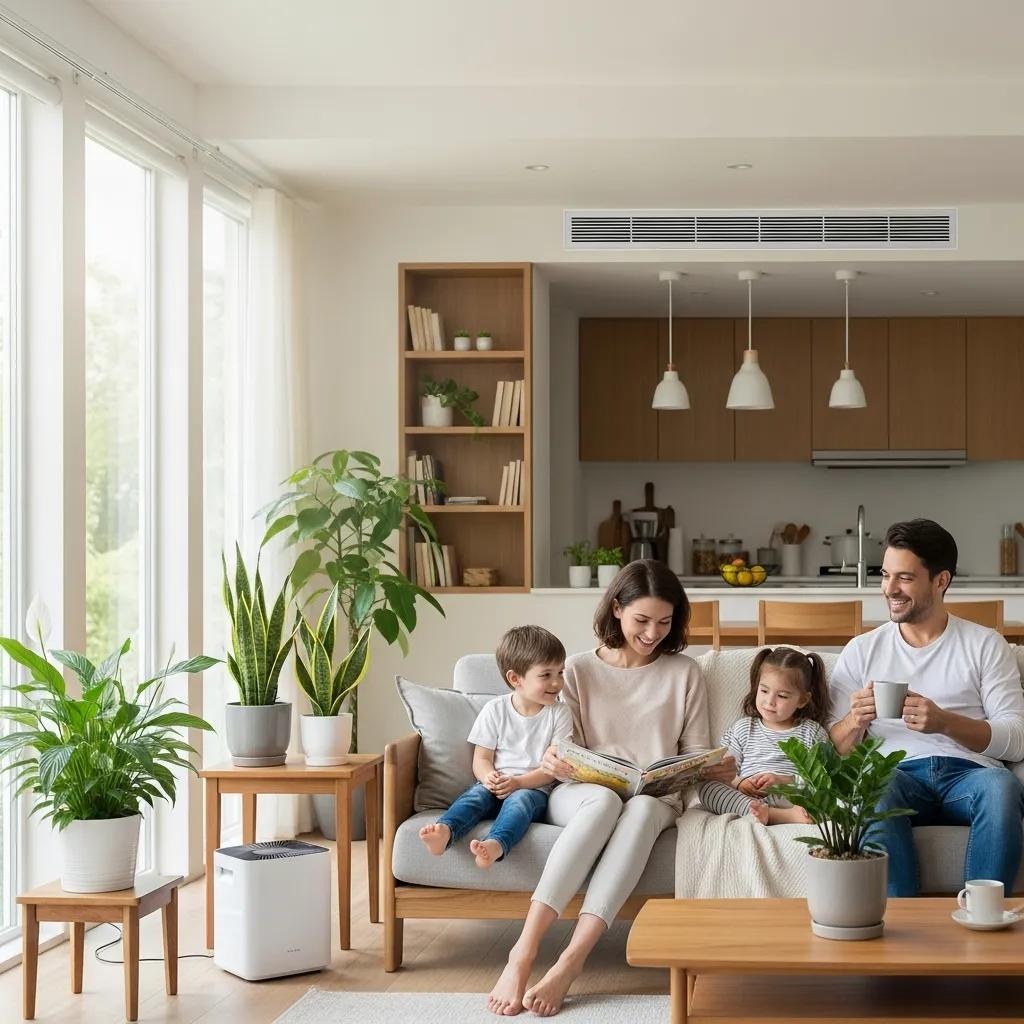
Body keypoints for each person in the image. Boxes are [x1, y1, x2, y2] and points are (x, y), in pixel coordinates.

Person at [487, 560, 735, 1017]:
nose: (653, 633)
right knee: (603, 801)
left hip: (654, 796)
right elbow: (562, 743)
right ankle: (522, 952)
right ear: (617, 608)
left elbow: (695, 749)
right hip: (583, 792)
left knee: (640, 809)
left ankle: (570, 961)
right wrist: (554, 759)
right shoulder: (577, 670)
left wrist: (710, 767)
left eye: (665, 622)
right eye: (642, 620)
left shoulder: (684, 672)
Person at [829, 518, 1024, 897]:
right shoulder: (862, 650)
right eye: (885, 575)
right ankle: (900, 917)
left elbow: (1017, 740)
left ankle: (983, 913)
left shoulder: (985, 644)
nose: (889, 589)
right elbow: (831, 750)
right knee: (873, 787)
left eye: (904, 578)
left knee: (1002, 787)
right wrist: (854, 720)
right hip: (894, 774)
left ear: (941, 581)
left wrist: (944, 722)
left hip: (970, 776)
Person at [419, 625, 573, 869]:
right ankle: (445, 832)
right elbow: (481, 759)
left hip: (533, 790)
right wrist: (489, 777)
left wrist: (518, 783)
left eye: (560, 672)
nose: (557, 682)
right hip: (496, 785)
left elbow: (551, 769)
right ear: (515, 679)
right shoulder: (495, 709)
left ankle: (495, 844)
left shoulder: (559, 713)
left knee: (520, 801)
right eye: (546, 675)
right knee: (476, 795)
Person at [698, 645, 830, 825]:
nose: (770, 702)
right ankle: (764, 813)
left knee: (827, 796)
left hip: (791, 798)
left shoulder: (812, 732)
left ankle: (776, 814)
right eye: (764, 691)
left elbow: (821, 780)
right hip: (748, 797)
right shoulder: (743, 728)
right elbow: (726, 771)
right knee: (707, 788)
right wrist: (740, 783)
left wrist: (782, 781)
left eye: (782, 696)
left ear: (802, 700)